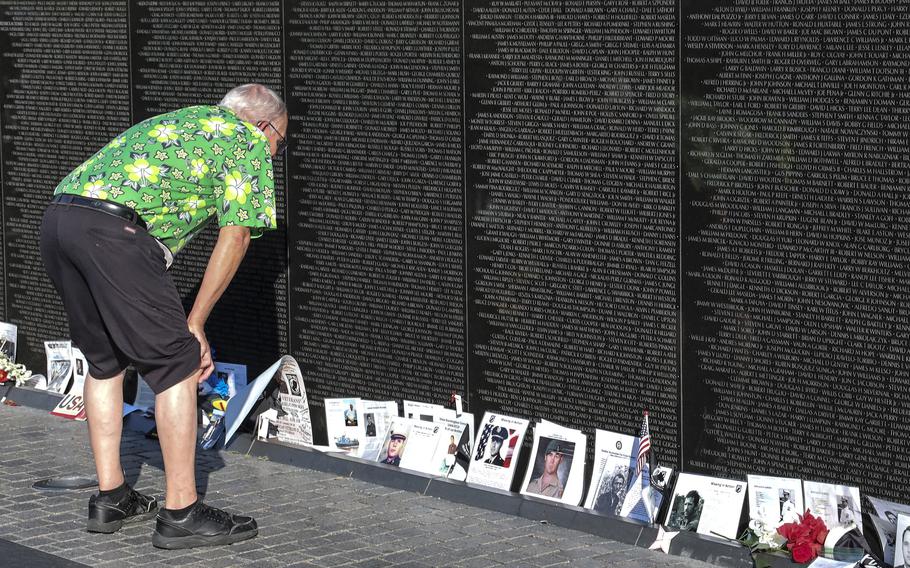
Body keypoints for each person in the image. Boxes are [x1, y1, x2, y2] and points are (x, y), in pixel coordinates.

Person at [40, 84, 288, 550]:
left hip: (60, 218)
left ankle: (111, 497)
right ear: (263, 125)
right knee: (178, 364)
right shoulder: (247, 140)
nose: (275, 152)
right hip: (115, 233)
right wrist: (195, 323)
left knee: (105, 362)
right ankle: (181, 512)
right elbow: (236, 238)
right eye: (281, 141)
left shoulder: (186, 119)